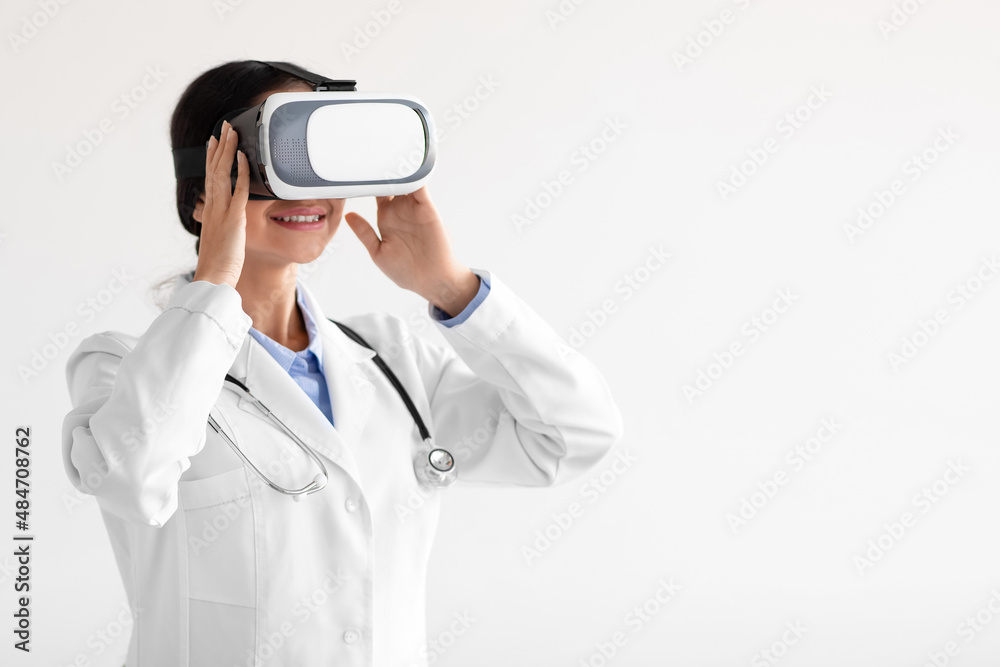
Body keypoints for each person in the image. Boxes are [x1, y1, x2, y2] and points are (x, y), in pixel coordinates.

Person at [61, 60, 624, 666]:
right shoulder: (119, 366)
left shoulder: (394, 361)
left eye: (317, 162)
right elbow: (132, 479)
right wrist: (215, 283)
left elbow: (575, 436)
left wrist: (452, 288)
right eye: (273, 162)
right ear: (201, 193)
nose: (304, 192)